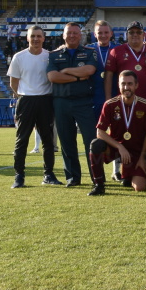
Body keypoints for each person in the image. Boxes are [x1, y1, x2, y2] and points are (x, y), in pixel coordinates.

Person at [47, 22, 100, 187]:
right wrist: (77, 77)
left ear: (80, 35)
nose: (72, 36)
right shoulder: (54, 55)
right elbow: (53, 77)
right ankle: (73, 178)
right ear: (63, 35)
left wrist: (65, 71)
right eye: (69, 33)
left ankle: (96, 177)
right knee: (66, 141)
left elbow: (89, 70)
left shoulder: (89, 52)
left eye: (75, 33)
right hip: (61, 102)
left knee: (91, 141)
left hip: (84, 101)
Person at [6, 26, 61, 187]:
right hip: (26, 101)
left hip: (45, 101)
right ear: (27, 38)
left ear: (44, 38)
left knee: (48, 141)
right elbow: (13, 83)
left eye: (39, 36)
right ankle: (19, 176)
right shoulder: (19, 57)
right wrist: (23, 96)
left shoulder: (49, 56)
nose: (36, 39)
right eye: (33, 36)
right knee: (22, 140)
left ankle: (49, 174)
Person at [105, 21, 146, 181]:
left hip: (145, 104)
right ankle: (117, 171)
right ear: (126, 35)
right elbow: (108, 76)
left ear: (143, 34)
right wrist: (108, 99)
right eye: (131, 32)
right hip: (123, 103)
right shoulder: (117, 51)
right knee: (120, 136)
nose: (135, 35)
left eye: (138, 32)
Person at [88, 70, 146, 195]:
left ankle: (128, 176)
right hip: (115, 149)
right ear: (118, 85)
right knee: (96, 144)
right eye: (123, 84)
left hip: (135, 152)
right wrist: (120, 146)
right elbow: (100, 132)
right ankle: (99, 185)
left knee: (139, 187)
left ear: (136, 85)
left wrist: (142, 158)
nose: (126, 87)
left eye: (130, 84)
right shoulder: (110, 104)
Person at [86, 20, 117, 121]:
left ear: (111, 33)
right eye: (99, 33)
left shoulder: (119, 49)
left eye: (106, 32)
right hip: (94, 98)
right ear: (94, 34)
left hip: (115, 96)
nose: (103, 35)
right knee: (94, 133)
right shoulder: (88, 50)